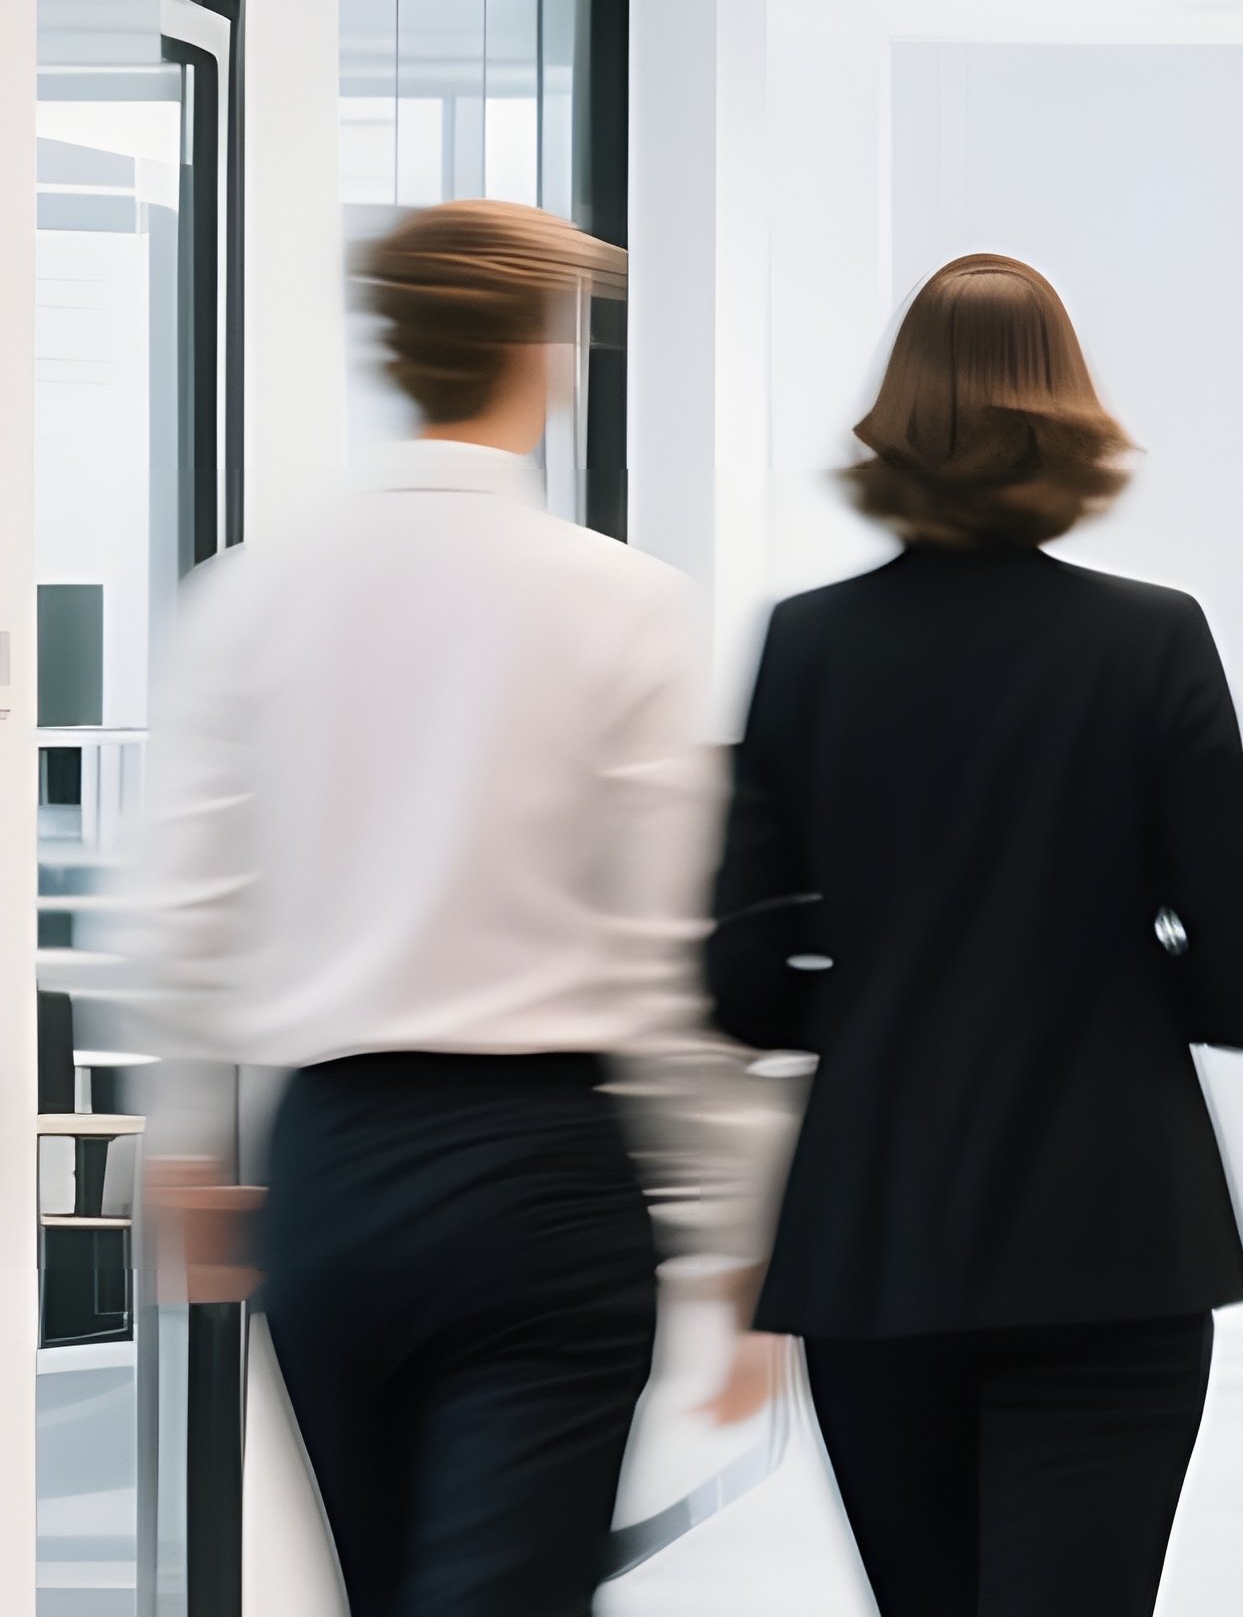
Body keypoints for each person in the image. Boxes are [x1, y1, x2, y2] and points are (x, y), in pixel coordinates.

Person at [117, 199, 768, 1617]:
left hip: (335, 1173)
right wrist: (737, 1222)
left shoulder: (248, 597)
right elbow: (670, 963)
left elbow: (176, 913)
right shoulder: (625, 603)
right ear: (543, 351)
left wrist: (181, 1146)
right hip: (544, 1177)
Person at [704, 253, 1243, 1617]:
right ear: (1067, 419)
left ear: (896, 422)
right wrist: (1101, 967)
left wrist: (883, 997)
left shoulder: (806, 646)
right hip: (1115, 1237)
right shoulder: (1151, 643)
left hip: (881, 1237)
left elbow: (736, 983)